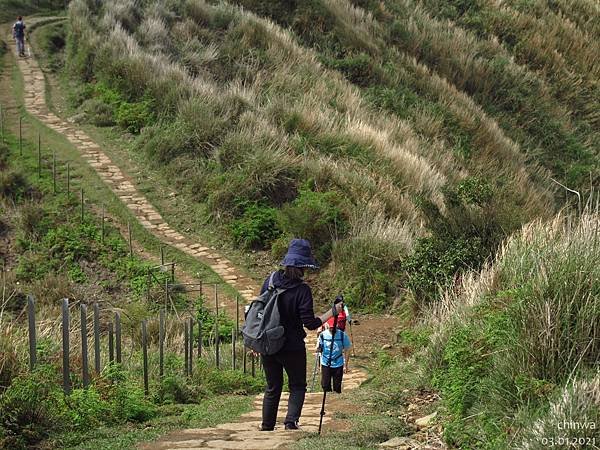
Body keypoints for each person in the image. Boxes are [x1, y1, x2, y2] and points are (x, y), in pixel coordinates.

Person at [259, 238, 343, 431]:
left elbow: (260, 311)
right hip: (292, 346)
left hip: (268, 344)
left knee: (273, 386)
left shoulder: (270, 281)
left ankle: (267, 426)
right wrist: (333, 311)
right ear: (304, 266)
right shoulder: (302, 290)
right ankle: (290, 422)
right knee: (297, 385)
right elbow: (311, 324)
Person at [319, 321, 352, 394]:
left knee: (337, 386)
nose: (332, 329)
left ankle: (336, 400)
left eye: (334, 327)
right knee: (325, 385)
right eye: (330, 327)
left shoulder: (342, 335)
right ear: (327, 326)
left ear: (337, 326)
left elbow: (347, 349)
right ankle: (327, 400)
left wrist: (345, 365)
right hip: (326, 363)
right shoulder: (322, 335)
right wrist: (320, 365)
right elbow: (319, 349)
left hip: (338, 363)